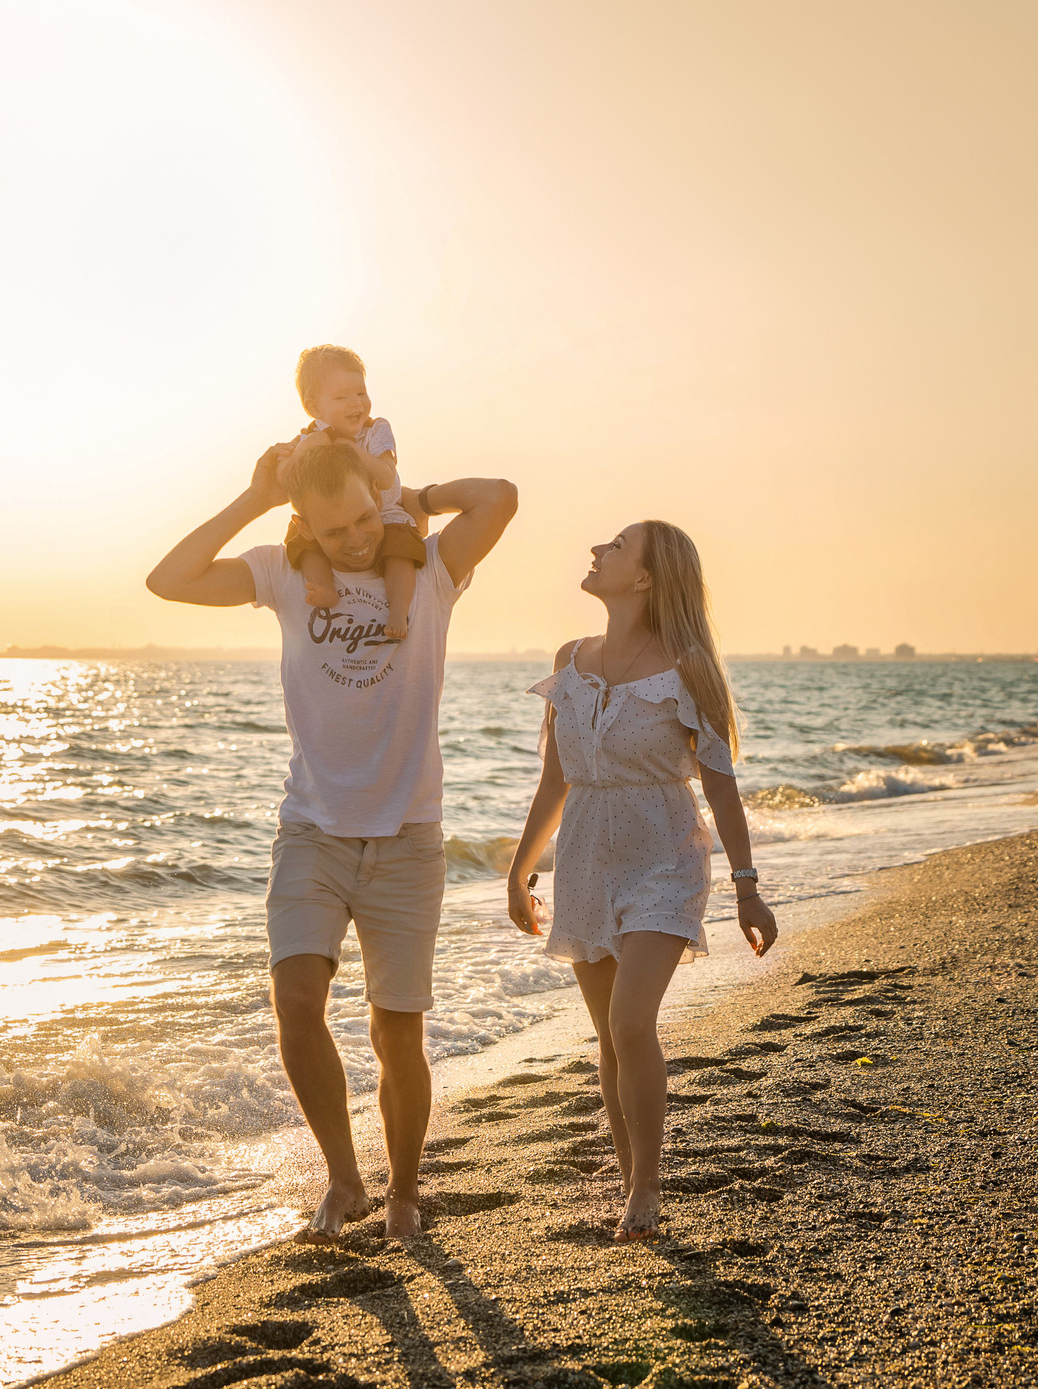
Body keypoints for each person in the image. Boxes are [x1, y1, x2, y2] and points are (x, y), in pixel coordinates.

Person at [146, 429, 518, 1239]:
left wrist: (406, 499)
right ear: (303, 529)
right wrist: (254, 497)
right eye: (332, 530)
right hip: (311, 828)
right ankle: (345, 1180)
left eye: (359, 521)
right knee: (296, 1001)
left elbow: (500, 497)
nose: (351, 541)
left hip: (408, 837)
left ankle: (404, 1193)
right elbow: (165, 579)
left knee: (396, 1029)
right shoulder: (283, 574)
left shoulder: (426, 567)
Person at [504, 520, 778, 1241]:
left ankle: (647, 1188)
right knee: (608, 1036)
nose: (597, 549)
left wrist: (748, 887)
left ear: (646, 578)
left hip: (665, 858)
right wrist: (519, 867)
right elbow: (554, 779)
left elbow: (721, 790)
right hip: (587, 858)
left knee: (631, 1023)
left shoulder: (688, 668)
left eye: (617, 546)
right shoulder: (571, 659)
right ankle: (631, 1185)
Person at [282, 345, 428, 639]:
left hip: (384, 511)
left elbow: (387, 478)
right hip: (335, 516)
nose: (355, 404)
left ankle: (398, 610)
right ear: (314, 408)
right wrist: (298, 454)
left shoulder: (376, 430)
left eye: (361, 393)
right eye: (341, 397)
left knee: (400, 551)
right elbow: (290, 478)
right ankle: (323, 586)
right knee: (300, 539)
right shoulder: (312, 436)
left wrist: (352, 452)